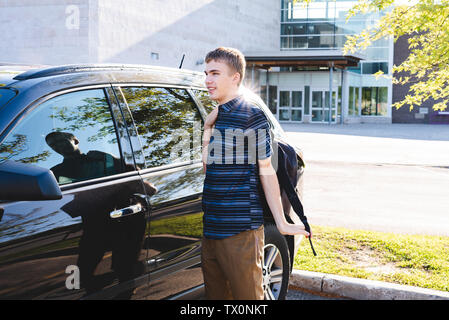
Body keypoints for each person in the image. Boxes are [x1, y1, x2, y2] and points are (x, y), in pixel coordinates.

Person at [201, 47, 310, 300]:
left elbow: (266, 171)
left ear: (235, 78)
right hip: (211, 230)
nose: (208, 79)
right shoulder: (218, 116)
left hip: (240, 232)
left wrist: (281, 222)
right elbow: (207, 168)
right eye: (206, 73)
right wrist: (207, 126)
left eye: (215, 73)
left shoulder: (252, 116)